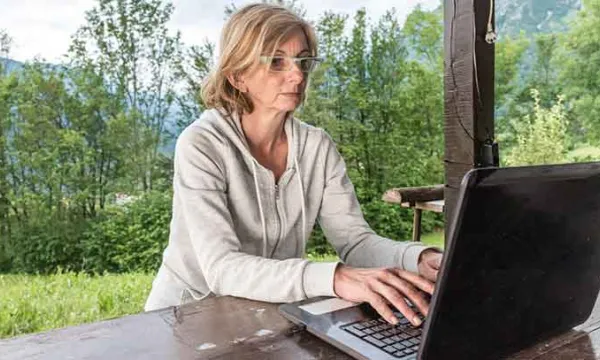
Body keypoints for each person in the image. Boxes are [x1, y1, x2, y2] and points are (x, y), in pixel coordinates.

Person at [145, 3, 443, 327]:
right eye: (276, 62)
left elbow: (355, 242)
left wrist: (418, 258)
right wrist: (335, 277)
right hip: (184, 318)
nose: (297, 74)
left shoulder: (317, 147)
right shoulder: (202, 144)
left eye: (303, 60)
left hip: (266, 314)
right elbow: (222, 269)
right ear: (237, 76)